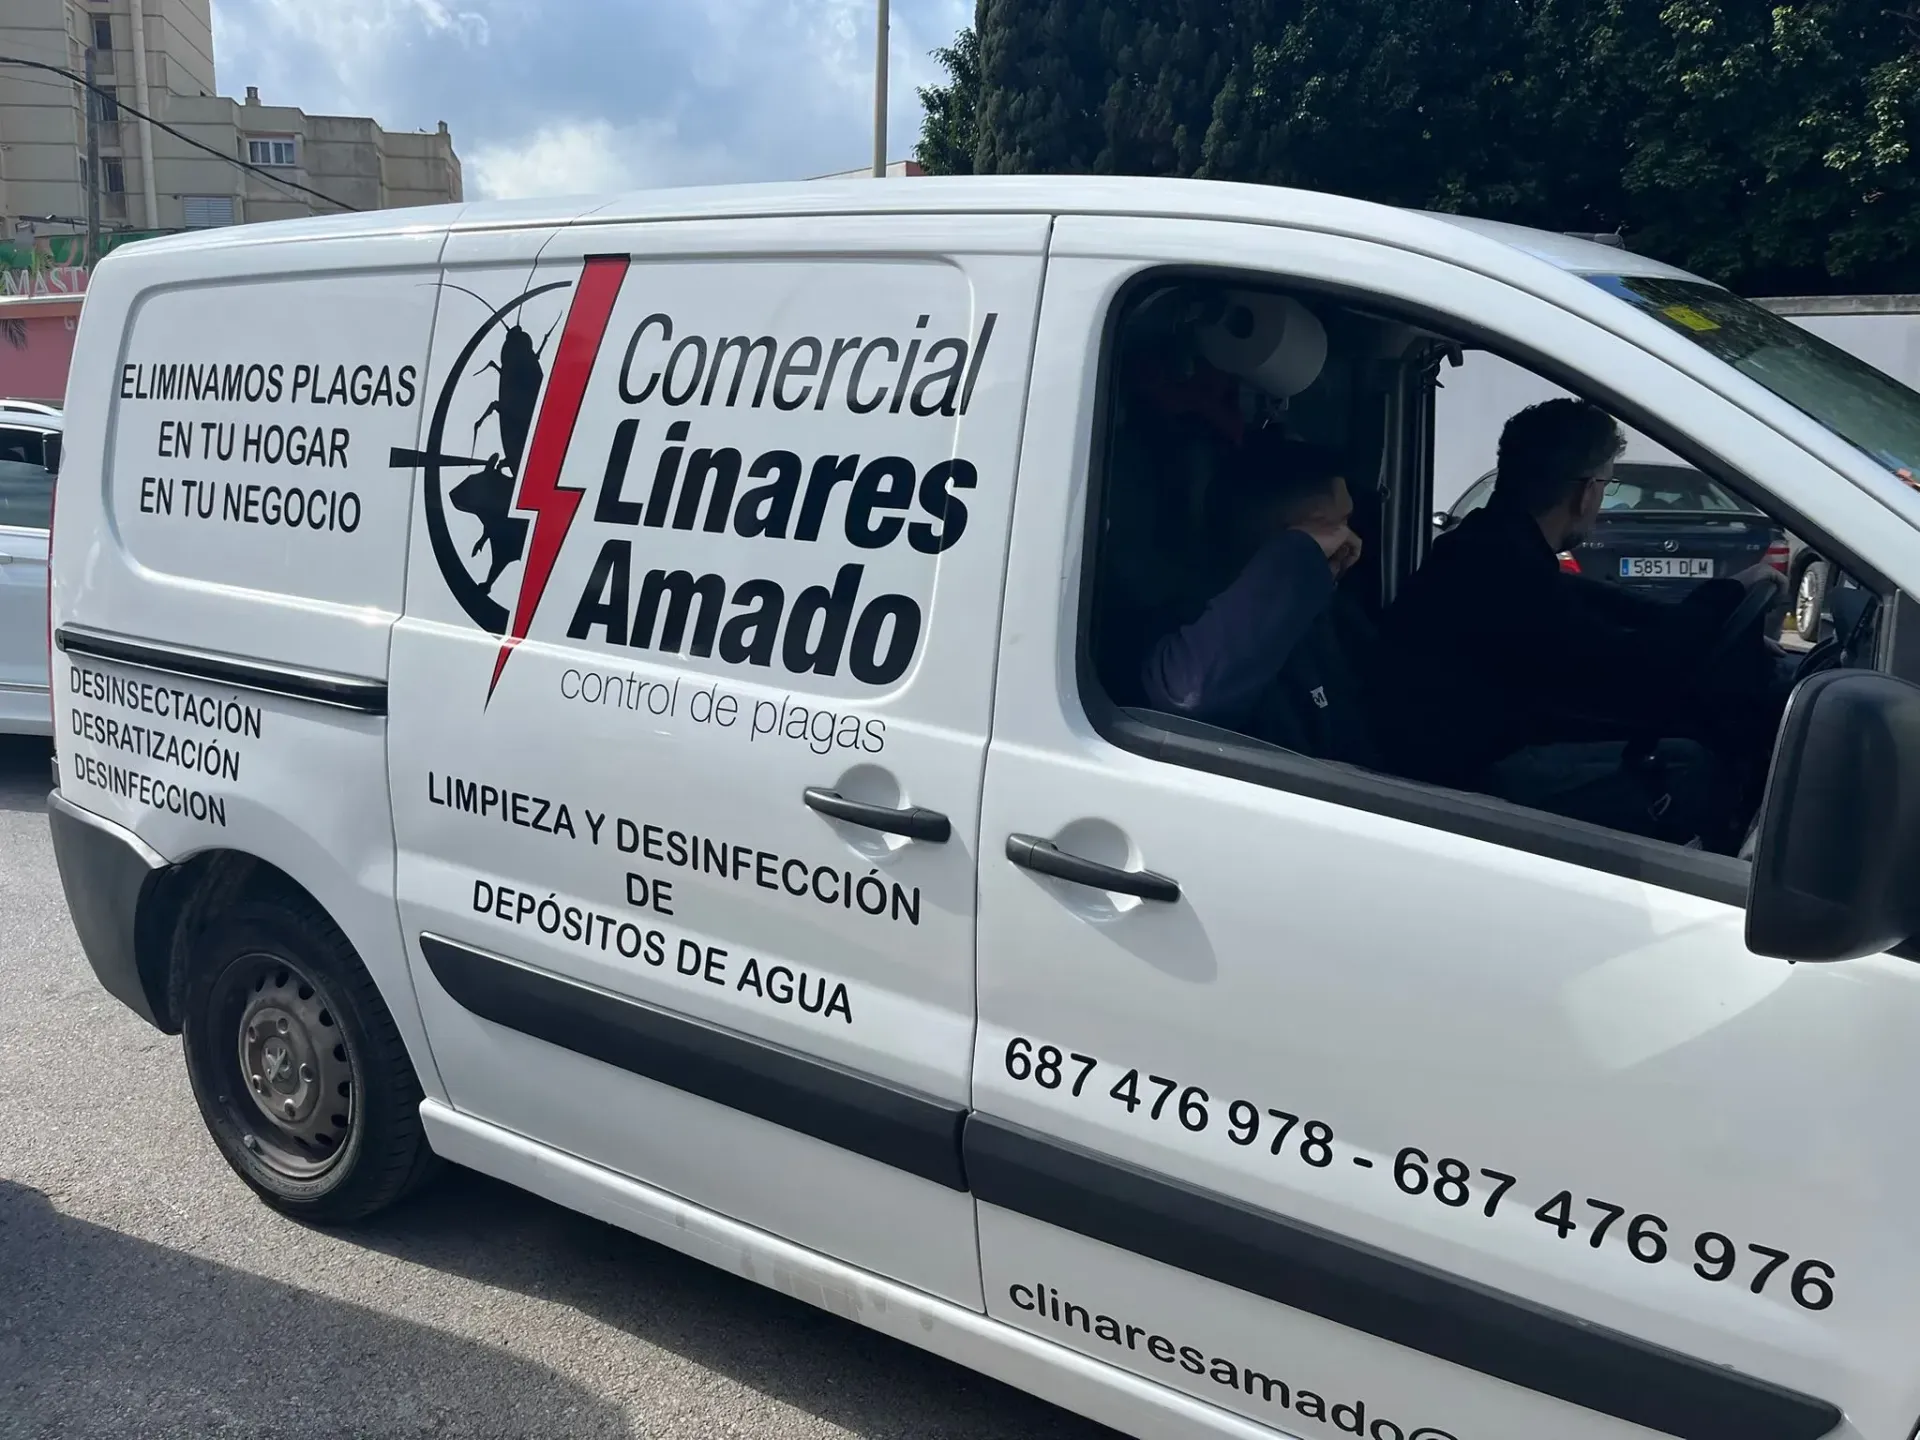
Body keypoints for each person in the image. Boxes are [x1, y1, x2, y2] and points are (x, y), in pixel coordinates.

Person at [1377, 399, 1784, 850]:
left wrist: (1716, 609)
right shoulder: (1501, 566)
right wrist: (1725, 595)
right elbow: (1633, 665)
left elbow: (1600, 603)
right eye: (1607, 485)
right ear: (1586, 491)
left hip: (1479, 742)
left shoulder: (1487, 545)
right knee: (1689, 762)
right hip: (1466, 778)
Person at [1140, 430, 1381, 766]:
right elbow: (1189, 695)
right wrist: (1297, 559)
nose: (1349, 541)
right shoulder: (1190, 625)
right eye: (1333, 527)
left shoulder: (1326, 617)